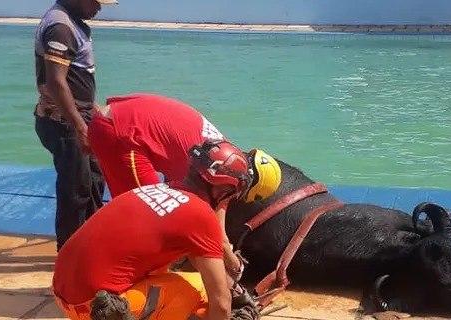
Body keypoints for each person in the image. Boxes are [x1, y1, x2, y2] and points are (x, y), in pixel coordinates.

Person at [52, 140, 268, 320]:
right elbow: (221, 304)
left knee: (163, 269)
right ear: (223, 188)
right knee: (196, 293)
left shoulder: (154, 189)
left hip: (62, 294)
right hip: (90, 308)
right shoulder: (201, 215)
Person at [88, 93, 283, 279]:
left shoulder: (222, 150)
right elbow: (214, 237)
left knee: (148, 214)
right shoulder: (223, 173)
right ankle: (129, 280)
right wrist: (234, 266)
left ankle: (106, 258)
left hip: (118, 117)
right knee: (149, 217)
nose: (231, 197)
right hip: (123, 135)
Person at [34, 0, 117, 250]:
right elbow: (56, 82)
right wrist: (80, 127)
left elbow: (75, 78)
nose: (99, 9)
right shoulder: (60, 27)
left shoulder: (73, 23)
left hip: (79, 117)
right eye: (96, 2)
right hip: (64, 122)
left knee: (93, 181)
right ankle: (70, 254)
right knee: (76, 189)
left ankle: (91, 246)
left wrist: (92, 108)